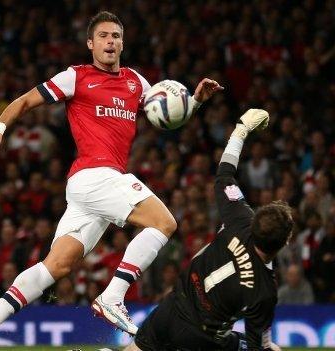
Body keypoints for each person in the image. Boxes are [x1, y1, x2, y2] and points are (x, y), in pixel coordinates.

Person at [0, 11, 222, 350]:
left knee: (58, 265)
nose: (110, 41)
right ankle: (113, 297)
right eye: (103, 36)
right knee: (164, 223)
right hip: (94, 176)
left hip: (92, 187)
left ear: (122, 43)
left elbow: (165, 113)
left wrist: (194, 103)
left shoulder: (136, 82)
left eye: (116, 36)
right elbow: (27, 100)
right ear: (91, 43)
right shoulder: (77, 77)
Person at [122, 109, 287, 351]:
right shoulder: (264, 290)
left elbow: (224, 174)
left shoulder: (240, 218)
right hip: (202, 339)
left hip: (172, 307)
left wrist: (241, 130)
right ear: (284, 242)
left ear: (255, 221)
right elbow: (256, 345)